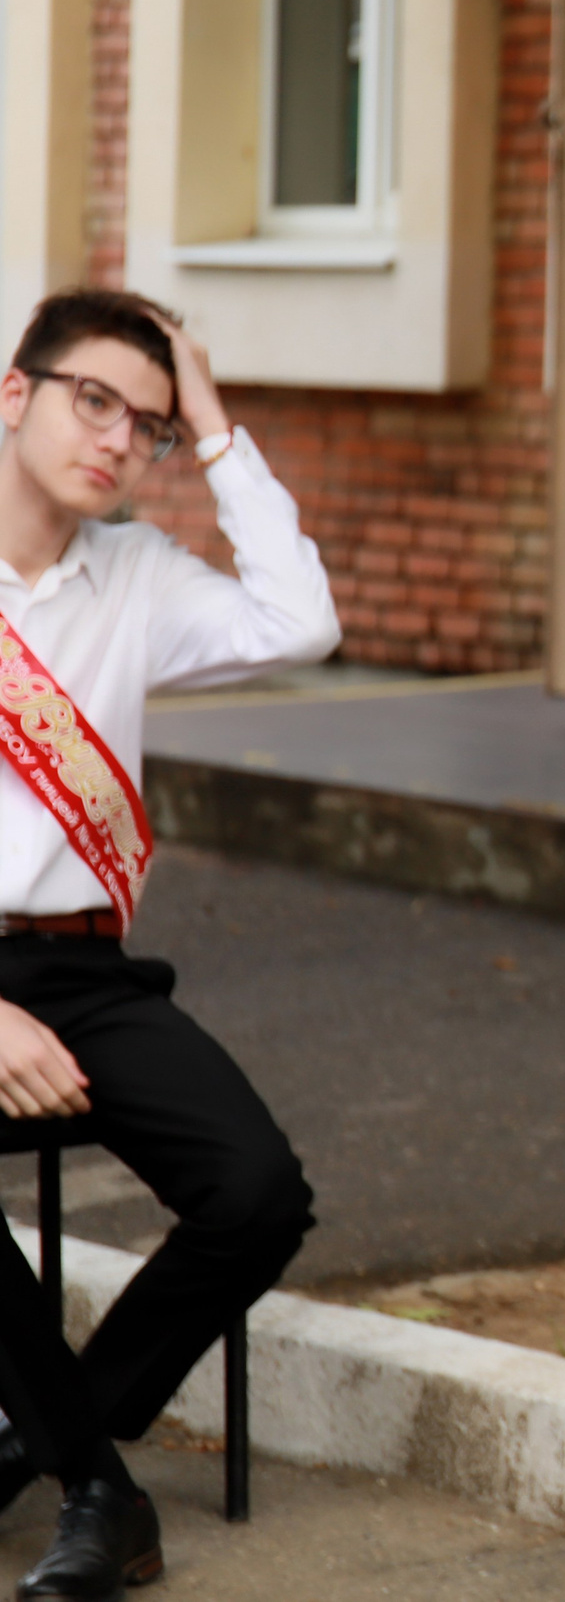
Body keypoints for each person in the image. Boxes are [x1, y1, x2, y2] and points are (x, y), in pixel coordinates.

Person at [0, 289, 337, 1600]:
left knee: (258, 1193)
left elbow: (299, 622)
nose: (116, 439)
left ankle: (41, 1441)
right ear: (13, 392)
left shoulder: (138, 578)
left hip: (84, 971)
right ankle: (98, 1493)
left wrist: (213, 422)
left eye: (144, 424)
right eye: (94, 399)